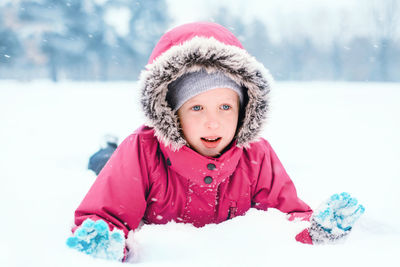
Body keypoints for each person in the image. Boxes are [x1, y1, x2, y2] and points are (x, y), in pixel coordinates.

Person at [66, 22, 365, 261]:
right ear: (172, 113)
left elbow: (286, 214)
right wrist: (103, 241)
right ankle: (108, 147)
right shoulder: (141, 150)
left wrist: (315, 232)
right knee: (105, 161)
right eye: (196, 108)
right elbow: (105, 213)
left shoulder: (256, 154)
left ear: (243, 109)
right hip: (126, 159)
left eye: (225, 107)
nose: (213, 122)